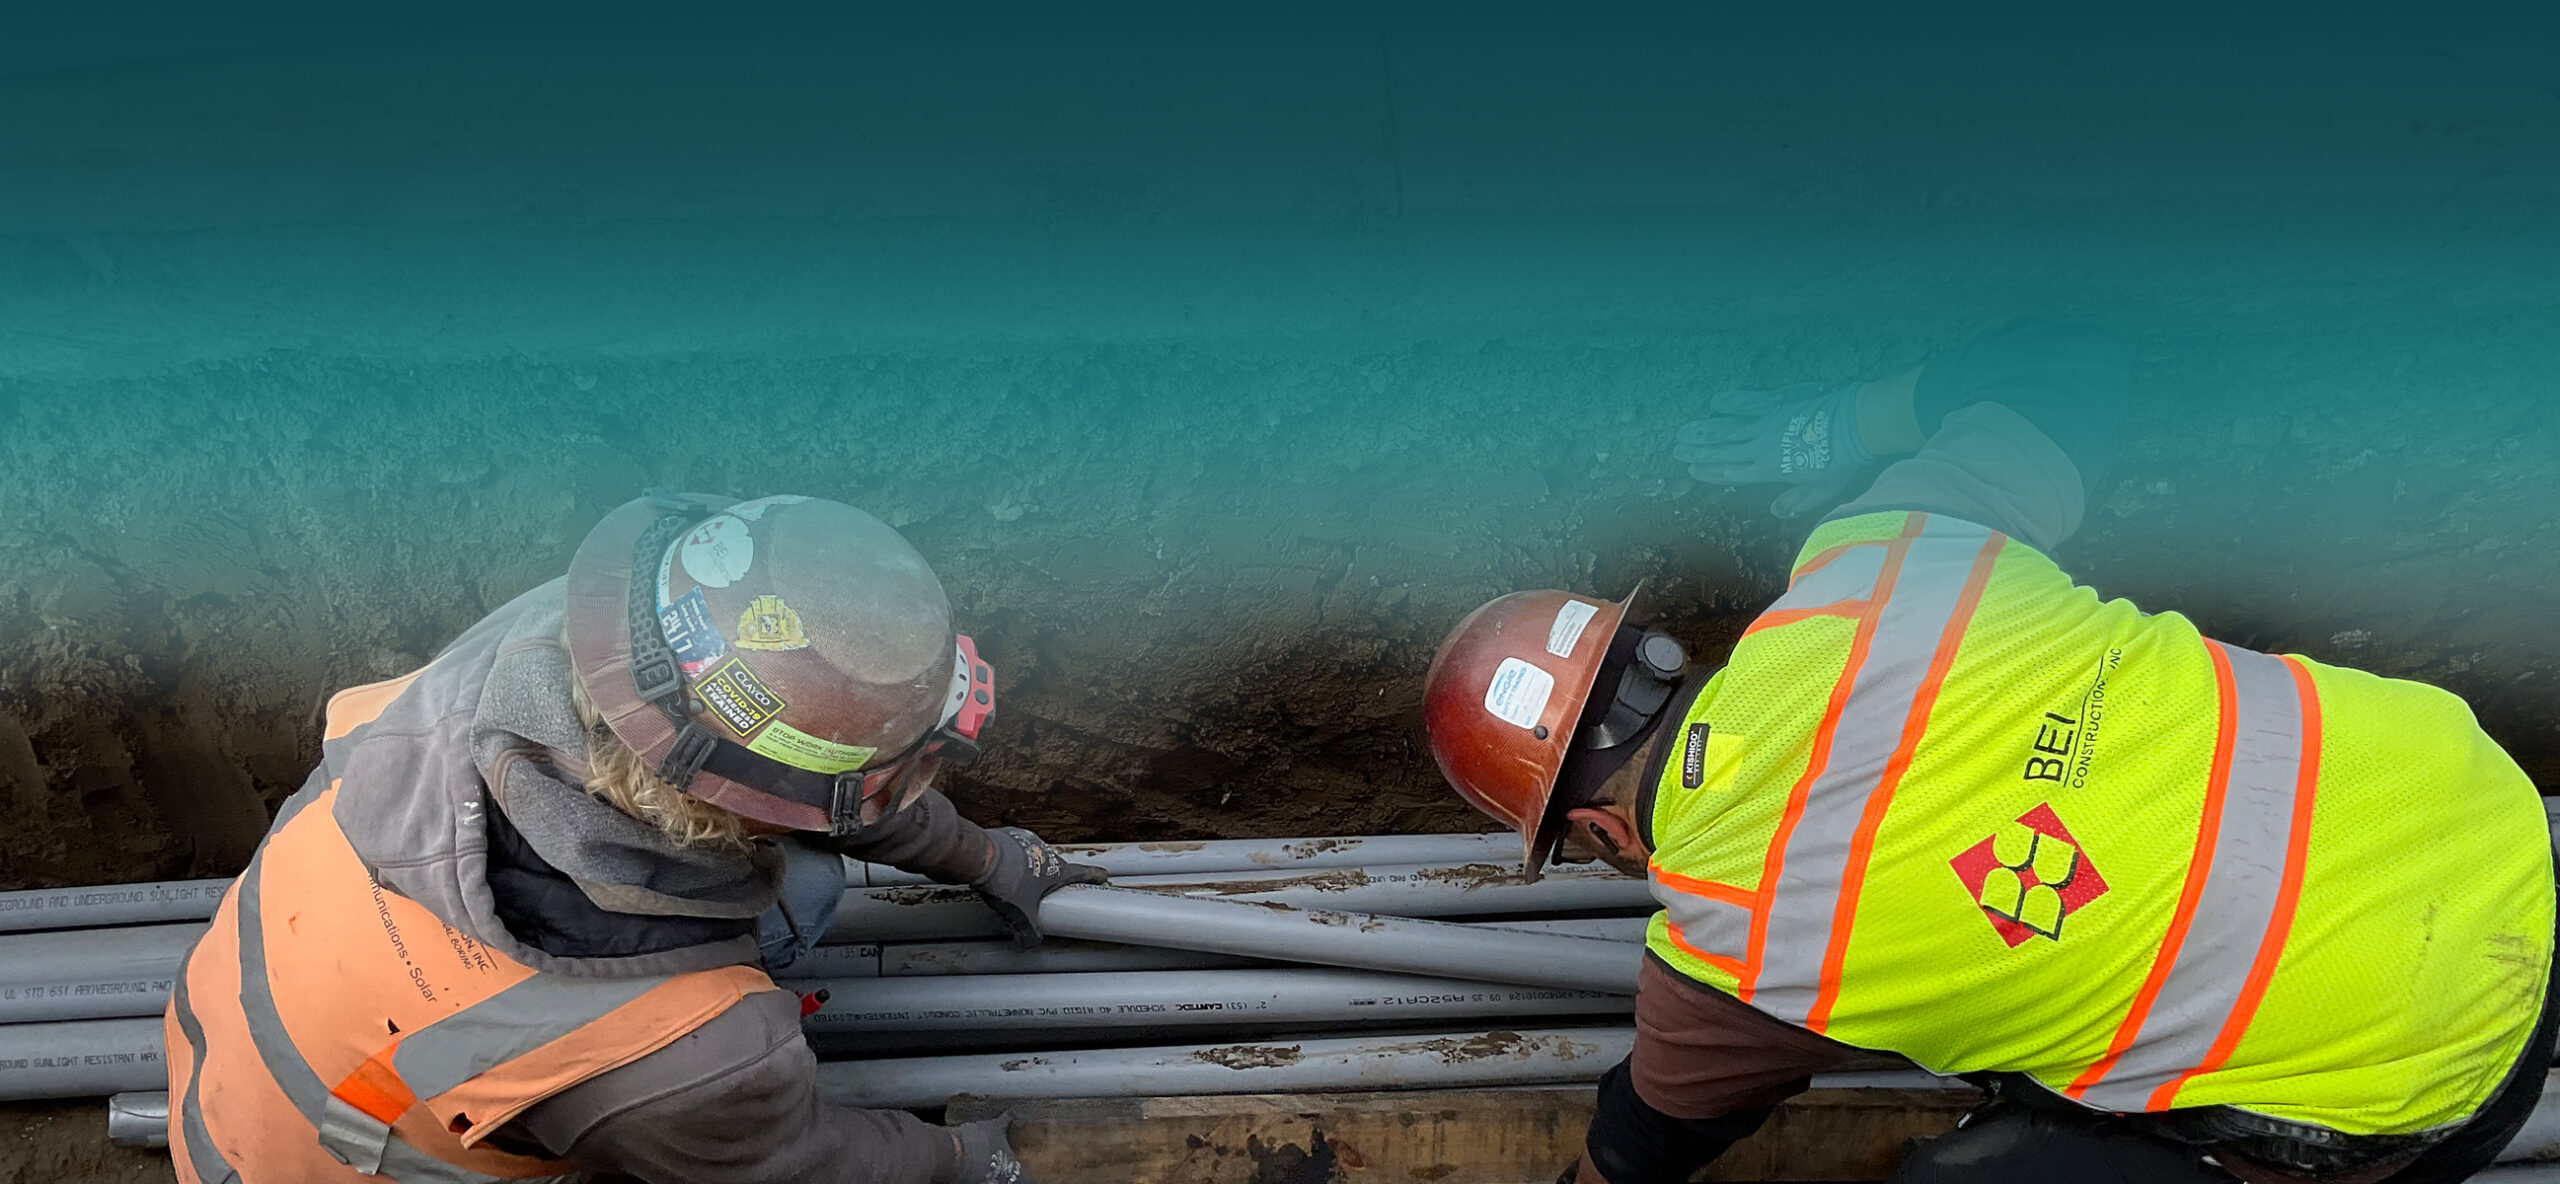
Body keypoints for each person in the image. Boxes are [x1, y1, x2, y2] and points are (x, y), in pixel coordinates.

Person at [1420, 322, 2557, 1184]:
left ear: (1599, 830)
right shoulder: (1885, 553)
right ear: (1658, 651)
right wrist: (1836, 428)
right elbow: (2065, 363)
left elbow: (1637, 1145)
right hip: (2474, 806)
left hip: (2421, 1077)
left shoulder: (1730, 948)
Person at [163, 492, 1103, 1184]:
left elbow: (796, 778)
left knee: (806, 889)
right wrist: (948, 1158)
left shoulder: (519, 665)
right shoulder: (698, 1058)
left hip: (230, 1024)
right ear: (756, 809)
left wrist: (980, 857)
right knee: (805, 899)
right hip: (316, 1161)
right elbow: (806, 1162)